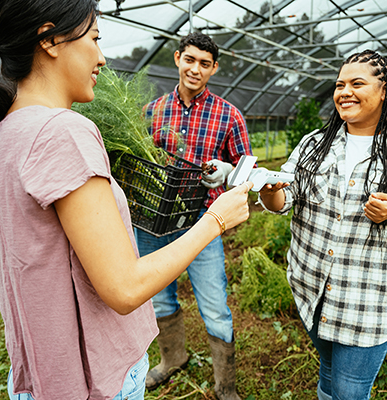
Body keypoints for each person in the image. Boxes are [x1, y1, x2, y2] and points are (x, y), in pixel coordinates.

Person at [0, 1, 252, 399]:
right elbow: (124, 288)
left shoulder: (3, 130)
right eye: (94, 38)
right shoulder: (63, 131)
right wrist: (217, 220)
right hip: (94, 381)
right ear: (51, 39)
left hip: (41, 374)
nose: (102, 57)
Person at [258, 49, 387, 400]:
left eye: (357, 83)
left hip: (367, 307)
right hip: (312, 292)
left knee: (350, 392)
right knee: (329, 376)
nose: (344, 92)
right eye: (339, 84)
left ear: (384, 92)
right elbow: (283, 200)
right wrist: (270, 188)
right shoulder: (314, 145)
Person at [134, 32, 252, 400]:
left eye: (204, 63)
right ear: (177, 59)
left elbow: (246, 171)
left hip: (202, 219)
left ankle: (225, 386)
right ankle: (173, 359)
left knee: (214, 303)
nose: (195, 69)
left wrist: (229, 170)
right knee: (159, 297)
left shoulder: (228, 114)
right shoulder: (152, 112)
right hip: (154, 220)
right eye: (190, 60)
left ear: (213, 68)